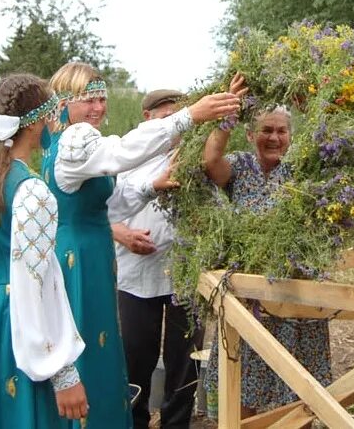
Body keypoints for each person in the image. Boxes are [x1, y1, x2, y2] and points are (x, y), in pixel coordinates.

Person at [42, 62, 241, 428]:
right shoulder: (75, 139)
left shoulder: (80, 141)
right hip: (79, 258)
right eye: (88, 100)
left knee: (104, 346)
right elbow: (122, 153)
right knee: (91, 344)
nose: (98, 108)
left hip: (96, 252)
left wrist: (153, 186)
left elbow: (110, 203)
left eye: (101, 99)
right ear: (64, 102)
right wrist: (188, 116)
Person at [0, 74, 87, 429]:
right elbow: (38, 284)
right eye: (51, 115)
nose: (53, 124)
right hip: (22, 325)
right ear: (36, 122)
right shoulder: (32, 191)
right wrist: (62, 372)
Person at [201, 75, 332, 419]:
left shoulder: (301, 172)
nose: (274, 137)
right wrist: (228, 111)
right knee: (243, 386)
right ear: (250, 134)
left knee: (297, 389)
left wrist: (314, 103)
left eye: (281, 131)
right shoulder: (241, 165)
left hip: (294, 295)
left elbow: (335, 155)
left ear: (291, 136)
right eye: (266, 130)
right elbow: (211, 162)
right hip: (250, 299)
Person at [107, 89, 204, 429]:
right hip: (136, 274)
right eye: (165, 119)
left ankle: (176, 424)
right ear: (147, 118)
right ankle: (134, 421)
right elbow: (98, 209)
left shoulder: (195, 156)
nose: (172, 127)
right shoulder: (123, 157)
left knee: (184, 362)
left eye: (178, 119)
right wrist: (120, 233)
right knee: (136, 358)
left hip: (184, 272)